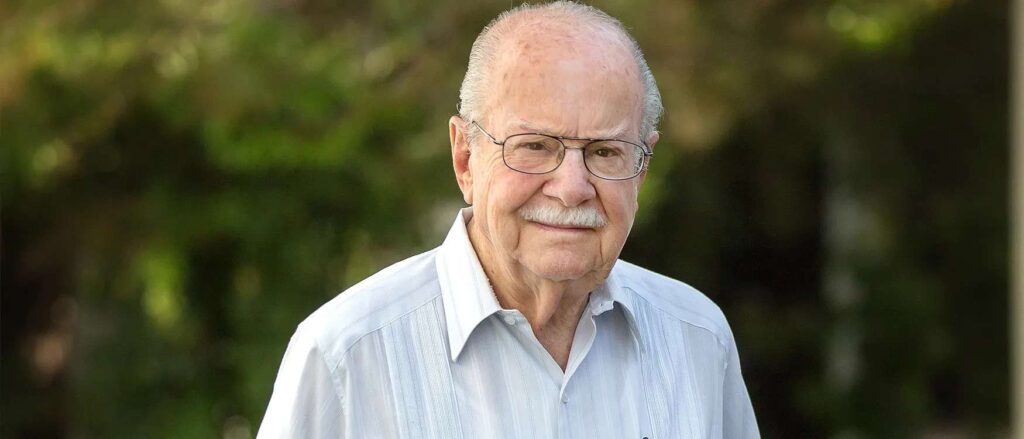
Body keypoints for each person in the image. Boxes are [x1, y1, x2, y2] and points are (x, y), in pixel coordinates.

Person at [257, 2, 759, 437]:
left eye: (605, 152)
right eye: (535, 146)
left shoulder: (697, 339)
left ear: (641, 169)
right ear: (464, 159)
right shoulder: (348, 356)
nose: (571, 188)